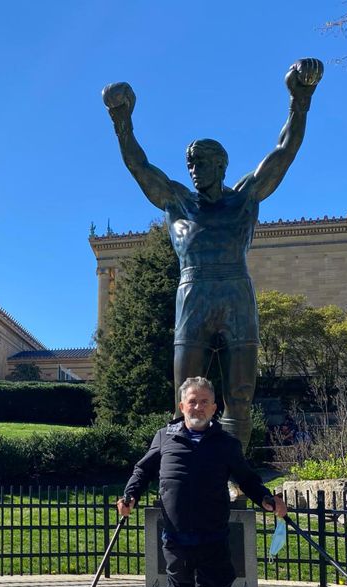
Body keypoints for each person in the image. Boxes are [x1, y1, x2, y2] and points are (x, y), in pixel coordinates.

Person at [103, 59, 323, 449]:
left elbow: (284, 151)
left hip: (236, 292)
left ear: (221, 165)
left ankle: (235, 477)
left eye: (201, 162)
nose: (193, 169)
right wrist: (122, 119)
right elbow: (139, 166)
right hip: (193, 293)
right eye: (190, 162)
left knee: (239, 393)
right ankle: (182, 468)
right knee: (185, 394)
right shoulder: (177, 202)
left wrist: (299, 99)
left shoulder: (245, 197)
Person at [117, 376, 287, 587]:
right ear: (182, 406)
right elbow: (142, 471)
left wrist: (266, 499)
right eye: (192, 401)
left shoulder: (225, 443)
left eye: (204, 401)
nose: (198, 407)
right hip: (176, 536)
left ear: (214, 408)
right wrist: (130, 496)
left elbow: (247, 478)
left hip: (212, 536)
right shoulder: (164, 437)